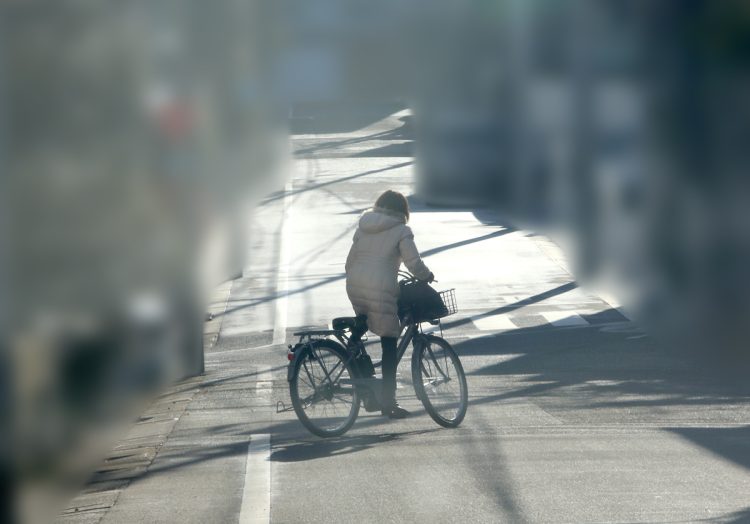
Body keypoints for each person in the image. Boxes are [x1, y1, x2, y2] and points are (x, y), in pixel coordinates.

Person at [345, 190, 434, 419]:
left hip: (356, 285)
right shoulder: (401, 230)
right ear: (403, 211)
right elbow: (413, 262)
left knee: (361, 326)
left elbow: (349, 262)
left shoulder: (363, 226)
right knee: (389, 341)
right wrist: (426, 275)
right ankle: (388, 401)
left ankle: (366, 386)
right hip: (380, 288)